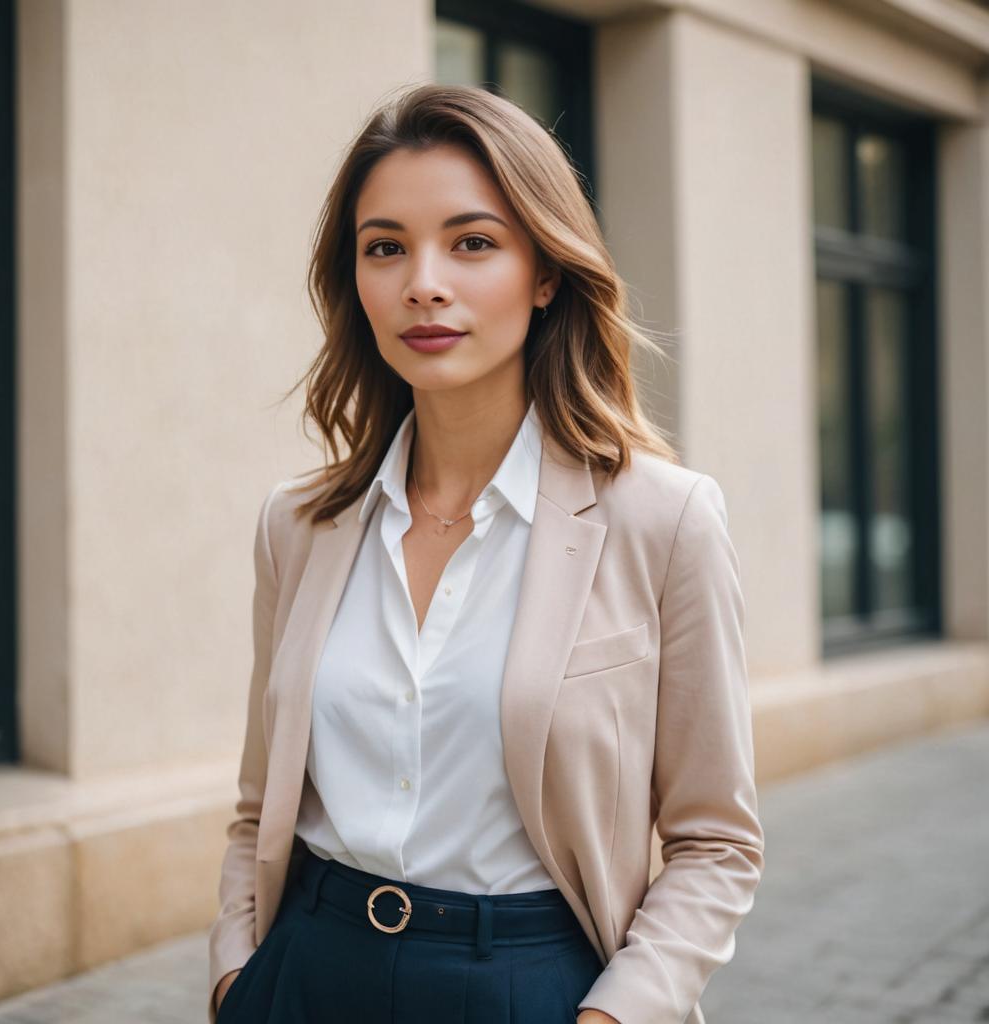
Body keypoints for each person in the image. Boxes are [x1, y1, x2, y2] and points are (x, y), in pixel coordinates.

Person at [207, 82, 764, 1024]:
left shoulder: (663, 520)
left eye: (473, 242)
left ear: (545, 272)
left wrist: (616, 1013)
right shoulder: (299, 524)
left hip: (529, 985)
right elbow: (260, 805)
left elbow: (717, 842)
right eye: (385, 247)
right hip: (304, 973)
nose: (424, 281)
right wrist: (236, 975)